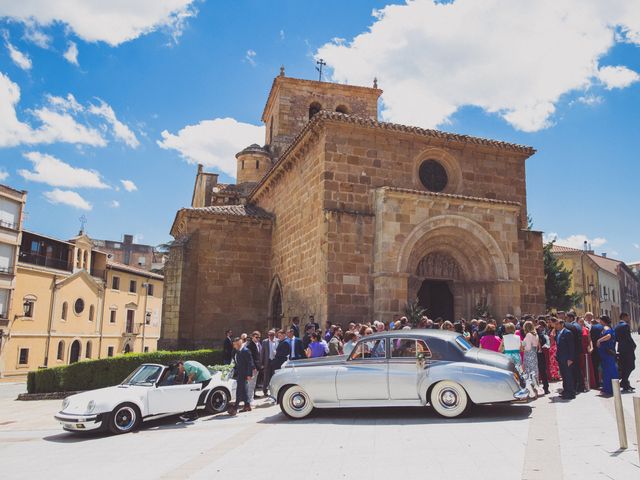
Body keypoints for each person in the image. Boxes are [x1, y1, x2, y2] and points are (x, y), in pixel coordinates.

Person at [228, 337, 255, 415]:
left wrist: (249, 374)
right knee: (243, 389)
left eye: (235, 344)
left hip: (245, 373)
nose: (234, 346)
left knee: (239, 390)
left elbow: (250, 363)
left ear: (239, 343)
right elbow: (236, 361)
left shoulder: (246, 351)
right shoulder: (237, 351)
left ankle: (235, 407)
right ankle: (247, 405)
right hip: (240, 373)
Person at [596, 315, 619, 396]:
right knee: (607, 370)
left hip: (607, 353)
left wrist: (599, 340)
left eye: (600, 320)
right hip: (605, 353)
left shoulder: (606, 328)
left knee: (609, 370)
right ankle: (609, 388)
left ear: (603, 320)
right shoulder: (606, 327)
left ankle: (610, 389)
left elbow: (608, 336)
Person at [615, 312, 637, 392]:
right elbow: (628, 337)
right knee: (631, 366)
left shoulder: (617, 326)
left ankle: (625, 383)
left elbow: (616, 338)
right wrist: (634, 345)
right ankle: (624, 381)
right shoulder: (625, 325)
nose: (629, 318)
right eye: (628, 317)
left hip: (621, 348)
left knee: (624, 366)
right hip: (628, 349)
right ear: (624, 317)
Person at [556, 319, 576, 399]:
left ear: (562, 324)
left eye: (557, 324)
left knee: (568, 376)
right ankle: (566, 391)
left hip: (567, 358)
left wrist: (570, 359)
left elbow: (571, 347)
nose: (556, 326)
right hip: (561, 358)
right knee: (564, 375)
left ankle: (570, 393)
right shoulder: (558, 333)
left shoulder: (567, 333)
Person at [565, 312, 585, 392]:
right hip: (577, 350)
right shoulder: (577, 325)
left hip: (574, 350)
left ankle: (579, 385)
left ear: (571, 318)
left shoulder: (572, 326)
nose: (566, 319)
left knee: (575, 369)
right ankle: (579, 385)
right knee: (577, 369)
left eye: (567, 318)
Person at [522, 321, 540, 399]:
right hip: (534, 354)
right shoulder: (535, 334)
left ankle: (532, 392)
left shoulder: (529, 335)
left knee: (529, 373)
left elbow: (528, 347)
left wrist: (522, 346)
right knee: (534, 372)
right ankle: (536, 391)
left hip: (529, 355)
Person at [577, 317, 596, 390]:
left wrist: (591, 347)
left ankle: (590, 383)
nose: (582, 323)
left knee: (588, 366)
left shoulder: (586, 329)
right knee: (581, 367)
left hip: (586, 350)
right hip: (579, 351)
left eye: (582, 321)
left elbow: (590, 339)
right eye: (580, 321)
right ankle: (582, 384)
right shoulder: (576, 330)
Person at [246, 331, 262, 399]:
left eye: (259, 337)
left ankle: (251, 398)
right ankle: (249, 399)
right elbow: (250, 358)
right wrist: (253, 367)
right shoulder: (250, 345)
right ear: (252, 337)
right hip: (253, 368)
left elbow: (259, 355)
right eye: (256, 337)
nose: (258, 338)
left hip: (258, 367)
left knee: (254, 383)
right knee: (251, 384)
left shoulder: (258, 344)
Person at [260, 329, 277, 396]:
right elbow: (262, 353)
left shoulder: (277, 341)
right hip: (267, 361)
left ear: (274, 335)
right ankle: (265, 391)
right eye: (269, 335)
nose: (271, 336)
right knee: (266, 377)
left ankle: (274, 391)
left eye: (272, 335)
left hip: (275, 361)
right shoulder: (265, 342)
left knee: (274, 377)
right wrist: (261, 363)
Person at [589, 312, 603, 388]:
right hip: (604, 350)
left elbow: (591, 338)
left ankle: (597, 382)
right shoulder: (605, 327)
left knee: (595, 367)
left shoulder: (594, 328)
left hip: (595, 350)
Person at [536, 321, 550, 395]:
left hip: (533, 355)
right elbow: (544, 341)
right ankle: (546, 388)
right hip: (540, 355)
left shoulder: (530, 335)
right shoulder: (541, 335)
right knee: (543, 371)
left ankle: (534, 389)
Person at [548, 317, 561, 381]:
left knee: (554, 362)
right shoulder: (553, 329)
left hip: (554, 347)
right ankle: (555, 375)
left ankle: (556, 375)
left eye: (550, 322)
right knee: (553, 362)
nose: (549, 323)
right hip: (553, 347)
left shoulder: (556, 330)